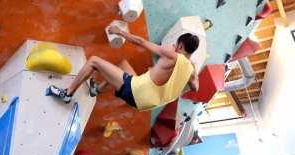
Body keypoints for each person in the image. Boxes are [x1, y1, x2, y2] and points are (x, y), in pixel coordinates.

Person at [47, 26, 200, 111]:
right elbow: (195, 88)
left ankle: (67, 94)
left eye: (175, 44)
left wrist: (120, 32)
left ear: (180, 46)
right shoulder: (191, 69)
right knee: (123, 65)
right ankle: (97, 90)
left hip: (135, 92)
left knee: (94, 61)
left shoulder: (173, 54)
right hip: (146, 100)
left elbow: (141, 42)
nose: (173, 45)